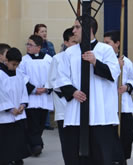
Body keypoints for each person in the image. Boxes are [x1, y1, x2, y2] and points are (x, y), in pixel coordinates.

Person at [55, 16, 121, 165]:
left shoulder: (105, 50)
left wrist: (95, 61)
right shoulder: (69, 52)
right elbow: (61, 77)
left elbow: (113, 73)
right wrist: (72, 91)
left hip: (99, 111)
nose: (74, 30)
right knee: (75, 152)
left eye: (77, 27)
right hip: (77, 108)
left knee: (100, 153)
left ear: (89, 29)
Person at [103, 30, 133, 164]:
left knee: (127, 134)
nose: (105, 45)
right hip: (109, 106)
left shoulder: (127, 62)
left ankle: (123, 158)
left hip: (123, 106)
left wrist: (127, 87)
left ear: (117, 43)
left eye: (108, 42)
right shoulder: (103, 61)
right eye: (104, 42)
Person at [0, 47, 30, 165]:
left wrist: (23, 105)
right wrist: (10, 108)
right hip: (7, 114)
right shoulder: (0, 75)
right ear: (6, 61)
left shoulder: (19, 74)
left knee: (19, 137)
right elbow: (0, 93)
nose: (15, 67)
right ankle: (5, 159)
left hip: (19, 112)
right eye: (13, 64)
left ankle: (18, 156)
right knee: (7, 138)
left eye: (17, 65)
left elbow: (23, 90)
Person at [46, 27, 77, 163]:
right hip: (64, 105)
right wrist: (71, 93)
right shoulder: (57, 59)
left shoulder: (83, 57)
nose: (76, 45)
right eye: (73, 42)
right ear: (66, 42)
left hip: (80, 107)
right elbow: (53, 82)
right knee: (68, 142)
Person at [19, 35, 53, 157]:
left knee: (40, 123)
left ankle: (33, 144)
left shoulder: (49, 59)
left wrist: (46, 87)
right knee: (32, 122)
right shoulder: (24, 60)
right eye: (27, 44)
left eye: (30, 45)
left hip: (44, 97)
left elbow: (53, 75)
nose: (28, 47)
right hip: (31, 98)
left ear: (38, 47)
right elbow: (21, 77)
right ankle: (37, 145)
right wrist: (33, 89)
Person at [34, 23, 56, 130]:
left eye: (45, 31)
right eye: (42, 31)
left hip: (49, 73)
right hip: (38, 74)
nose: (44, 33)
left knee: (47, 97)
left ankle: (46, 123)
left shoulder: (50, 44)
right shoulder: (34, 45)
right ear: (36, 33)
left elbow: (54, 57)